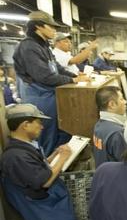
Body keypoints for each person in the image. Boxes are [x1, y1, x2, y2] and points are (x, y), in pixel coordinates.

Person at [1, 103, 86, 220]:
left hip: (48, 209)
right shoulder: (15, 156)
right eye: (38, 122)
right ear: (25, 125)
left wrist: (54, 156)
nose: (42, 127)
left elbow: (36, 169)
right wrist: (64, 158)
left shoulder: (24, 147)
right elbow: (44, 181)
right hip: (47, 212)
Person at [13, 10, 89, 155]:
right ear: (38, 26)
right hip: (38, 98)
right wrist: (73, 80)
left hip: (49, 95)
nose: (55, 31)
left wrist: (75, 74)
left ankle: (59, 162)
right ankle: (47, 168)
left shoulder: (44, 46)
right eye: (51, 27)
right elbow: (45, 76)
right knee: (44, 133)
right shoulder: (28, 47)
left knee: (58, 131)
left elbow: (57, 68)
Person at [92, 86, 127, 168]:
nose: (125, 102)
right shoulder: (117, 133)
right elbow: (126, 165)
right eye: (121, 99)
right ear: (111, 104)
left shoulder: (98, 125)